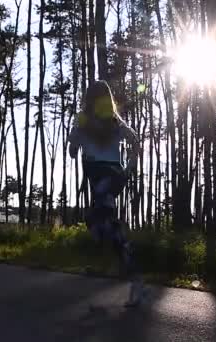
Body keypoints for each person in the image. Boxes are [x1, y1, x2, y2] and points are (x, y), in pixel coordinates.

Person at [68, 80, 145, 307]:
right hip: (106, 176)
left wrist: (129, 168)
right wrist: (128, 170)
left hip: (106, 176)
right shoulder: (107, 122)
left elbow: (72, 152)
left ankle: (134, 277)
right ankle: (117, 265)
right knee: (101, 222)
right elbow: (136, 143)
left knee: (100, 220)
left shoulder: (109, 122)